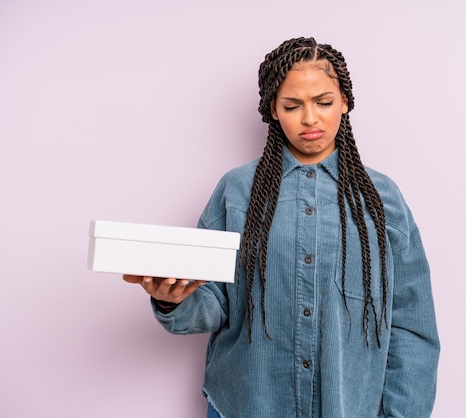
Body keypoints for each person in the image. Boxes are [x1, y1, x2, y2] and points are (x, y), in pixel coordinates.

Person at [124, 36, 440, 418]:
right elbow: (213, 305)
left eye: (323, 102)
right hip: (246, 404)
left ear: (345, 102)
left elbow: (411, 328)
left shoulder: (382, 199)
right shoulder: (236, 191)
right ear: (273, 109)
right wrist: (171, 299)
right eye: (292, 106)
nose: (310, 119)